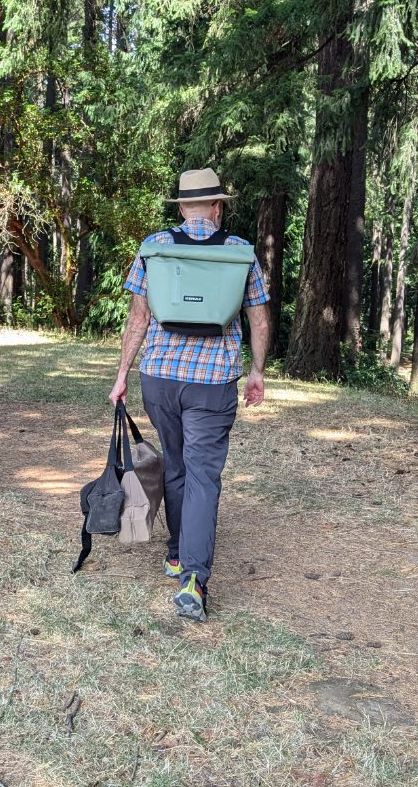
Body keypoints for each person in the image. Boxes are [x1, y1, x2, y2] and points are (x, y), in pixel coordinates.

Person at [109, 168, 270, 622]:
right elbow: (258, 321)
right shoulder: (240, 253)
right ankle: (193, 581)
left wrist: (122, 374)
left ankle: (179, 553)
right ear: (217, 207)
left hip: (159, 377)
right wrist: (256, 372)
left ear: (182, 208)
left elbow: (137, 319)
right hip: (213, 382)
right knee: (203, 474)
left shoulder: (154, 249)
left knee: (177, 464)